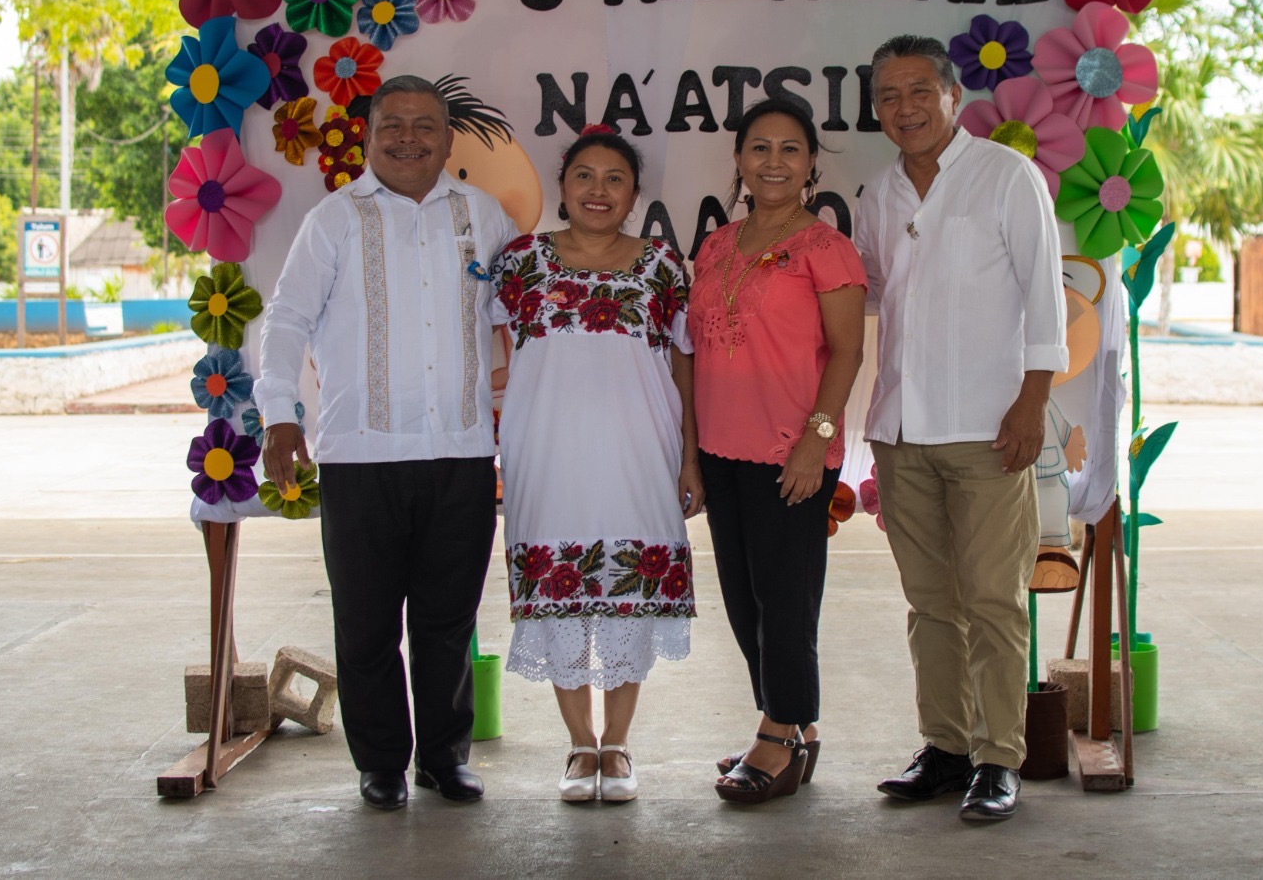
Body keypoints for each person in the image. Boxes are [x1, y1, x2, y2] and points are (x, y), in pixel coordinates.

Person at [257, 75, 517, 811]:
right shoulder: (335, 219)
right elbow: (285, 319)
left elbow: (520, 312)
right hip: (360, 458)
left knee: (447, 622)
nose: (408, 138)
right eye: (392, 125)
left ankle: (444, 759)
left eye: (425, 126)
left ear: (447, 139)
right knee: (367, 625)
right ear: (369, 135)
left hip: (462, 454)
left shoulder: (483, 216)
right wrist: (279, 412)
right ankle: (380, 764)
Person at [856, 36, 1067, 823]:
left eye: (919, 91)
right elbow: (874, 295)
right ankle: (944, 748)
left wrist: (1032, 400)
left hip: (989, 426)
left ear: (952, 96)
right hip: (901, 429)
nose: (904, 108)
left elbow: (1044, 294)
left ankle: (998, 757)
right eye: (888, 97)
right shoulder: (877, 194)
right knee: (929, 601)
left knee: (993, 598)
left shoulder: (1006, 176)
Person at [490, 126, 702, 804]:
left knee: (631, 593)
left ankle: (619, 744)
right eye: (585, 176)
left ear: (636, 193)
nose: (598, 190)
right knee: (557, 590)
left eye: (615, 178)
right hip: (544, 451)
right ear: (563, 187)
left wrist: (690, 458)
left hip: (640, 450)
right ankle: (580, 745)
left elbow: (684, 364)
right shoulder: (519, 262)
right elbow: (488, 350)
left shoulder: (664, 266)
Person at [688, 98, 866, 805]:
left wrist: (814, 444)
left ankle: (778, 732)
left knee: (786, 601)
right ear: (737, 160)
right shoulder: (715, 246)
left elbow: (848, 351)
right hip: (722, 449)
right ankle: (794, 725)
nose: (773, 161)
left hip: (790, 453)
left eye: (790, 149)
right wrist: (693, 457)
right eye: (759, 148)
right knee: (743, 600)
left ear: (811, 164)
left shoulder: (826, 248)